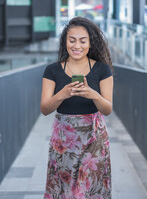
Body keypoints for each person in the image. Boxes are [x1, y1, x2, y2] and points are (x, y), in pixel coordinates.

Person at [41, 16, 114, 199]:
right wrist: (63, 94)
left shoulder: (102, 69)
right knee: (65, 190)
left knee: (88, 190)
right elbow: (45, 108)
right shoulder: (52, 70)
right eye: (72, 40)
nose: (77, 46)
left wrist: (93, 95)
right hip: (64, 141)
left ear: (91, 44)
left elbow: (107, 109)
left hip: (94, 138)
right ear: (65, 41)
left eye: (83, 41)